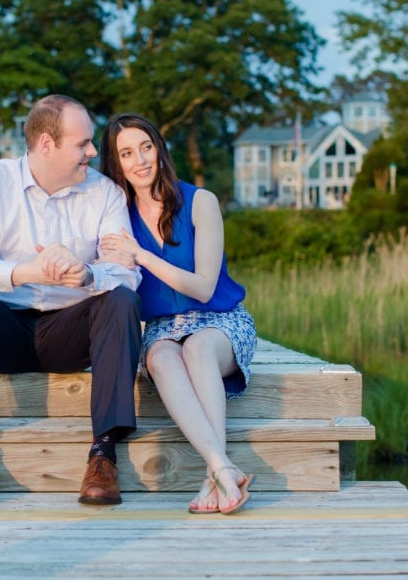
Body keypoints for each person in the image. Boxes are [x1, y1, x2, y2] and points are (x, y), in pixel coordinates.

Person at [0, 94, 142, 507]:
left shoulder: (104, 193)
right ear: (47, 145)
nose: (92, 151)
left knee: (121, 299)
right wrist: (30, 271)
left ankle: (104, 454)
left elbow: (126, 269)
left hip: (70, 330)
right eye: (82, 143)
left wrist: (88, 274)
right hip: (4, 330)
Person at [98, 112, 257, 515]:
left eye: (146, 147)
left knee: (198, 350)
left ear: (160, 149)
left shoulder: (201, 201)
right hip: (162, 329)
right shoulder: (117, 218)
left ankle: (212, 474)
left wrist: (142, 256)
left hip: (220, 320)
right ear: (116, 164)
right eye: (127, 153)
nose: (141, 161)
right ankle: (222, 468)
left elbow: (203, 286)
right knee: (162, 358)